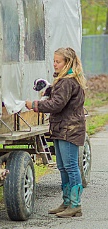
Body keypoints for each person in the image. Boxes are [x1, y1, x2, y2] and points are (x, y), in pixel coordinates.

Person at [25, 47, 87, 218]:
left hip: (69, 130)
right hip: (62, 129)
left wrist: (34, 105)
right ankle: (67, 202)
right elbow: (59, 97)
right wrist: (50, 88)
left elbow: (56, 105)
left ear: (67, 63)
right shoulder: (64, 80)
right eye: (54, 61)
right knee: (63, 167)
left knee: (71, 167)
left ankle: (75, 205)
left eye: (58, 61)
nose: (55, 64)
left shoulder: (68, 81)